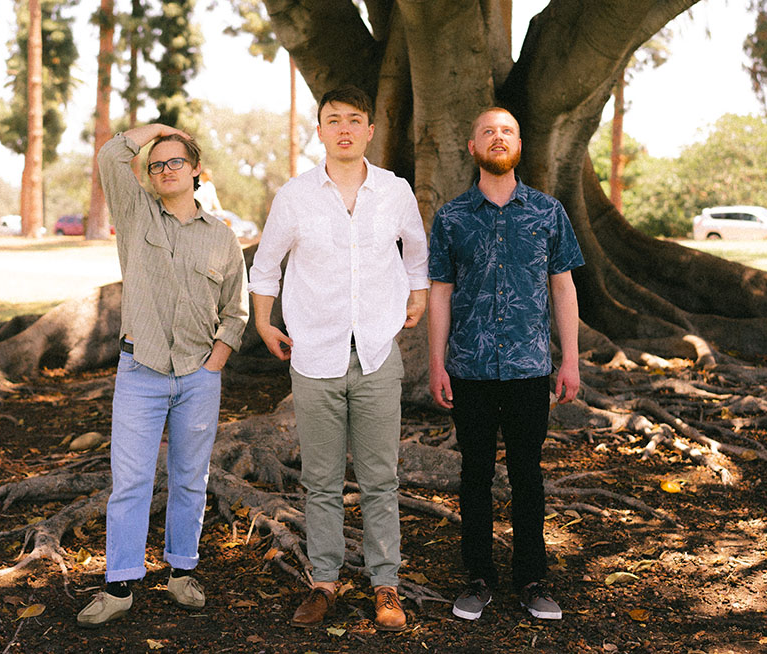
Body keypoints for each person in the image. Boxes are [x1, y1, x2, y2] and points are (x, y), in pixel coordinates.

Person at [249, 85, 429, 632]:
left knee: (381, 478)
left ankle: (385, 584)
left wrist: (416, 294)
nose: (344, 128)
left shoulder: (394, 191)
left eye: (355, 119)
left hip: (376, 352)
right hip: (315, 354)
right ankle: (323, 582)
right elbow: (266, 263)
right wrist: (262, 320)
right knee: (321, 480)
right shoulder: (296, 195)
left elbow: (416, 249)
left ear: (370, 130)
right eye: (333, 120)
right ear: (320, 130)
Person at [76, 123, 249, 628]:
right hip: (141, 371)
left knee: (191, 479)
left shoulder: (222, 237)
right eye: (156, 164)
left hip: (198, 375)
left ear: (195, 171)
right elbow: (111, 154)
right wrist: (157, 130)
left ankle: (180, 572)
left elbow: (235, 312)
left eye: (176, 161)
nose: (166, 169)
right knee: (130, 481)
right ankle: (120, 585)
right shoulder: (136, 215)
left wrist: (215, 362)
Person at [426, 107, 583, 622]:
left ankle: (533, 580)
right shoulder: (451, 217)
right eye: (488, 132)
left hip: (530, 368)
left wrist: (570, 361)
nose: (498, 137)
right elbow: (440, 293)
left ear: (520, 146)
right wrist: (436, 363)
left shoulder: (547, 212)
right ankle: (477, 578)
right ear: (471, 148)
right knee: (474, 476)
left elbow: (562, 286)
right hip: (468, 368)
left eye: (508, 131)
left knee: (527, 476)